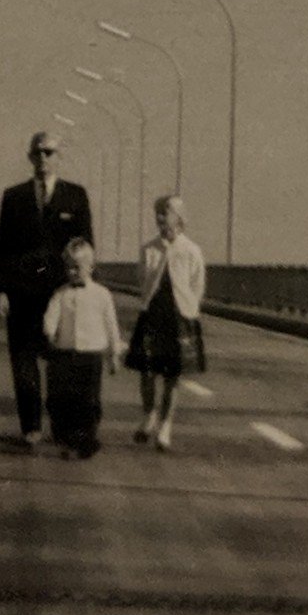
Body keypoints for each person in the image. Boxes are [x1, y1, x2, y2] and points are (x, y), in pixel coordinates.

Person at [0, 128, 94, 448]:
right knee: (23, 362)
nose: (43, 158)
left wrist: (88, 289)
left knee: (61, 364)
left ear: (59, 157)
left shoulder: (75, 195)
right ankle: (31, 425)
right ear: (29, 157)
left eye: (49, 152)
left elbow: (86, 246)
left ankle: (61, 422)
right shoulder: (14, 196)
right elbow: (1, 247)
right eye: (38, 152)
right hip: (21, 293)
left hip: (61, 294)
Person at [125, 193, 207, 450]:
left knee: (173, 375)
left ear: (180, 218)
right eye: (158, 213)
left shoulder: (191, 250)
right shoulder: (148, 249)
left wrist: (188, 310)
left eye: (166, 212)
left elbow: (197, 284)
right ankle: (149, 414)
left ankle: (165, 425)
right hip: (153, 315)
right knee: (147, 371)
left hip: (179, 315)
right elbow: (142, 280)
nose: (160, 218)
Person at [41, 239, 119, 457]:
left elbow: (111, 325)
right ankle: (67, 438)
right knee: (64, 399)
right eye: (69, 267)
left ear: (91, 268)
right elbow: (52, 315)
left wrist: (114, 354)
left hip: (92, 355)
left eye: (78, 267)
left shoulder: (102, 295)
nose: (72, 272)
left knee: (89, 400)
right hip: (65, 353)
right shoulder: (61, 293)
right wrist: (49, 330)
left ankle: (88, 439)